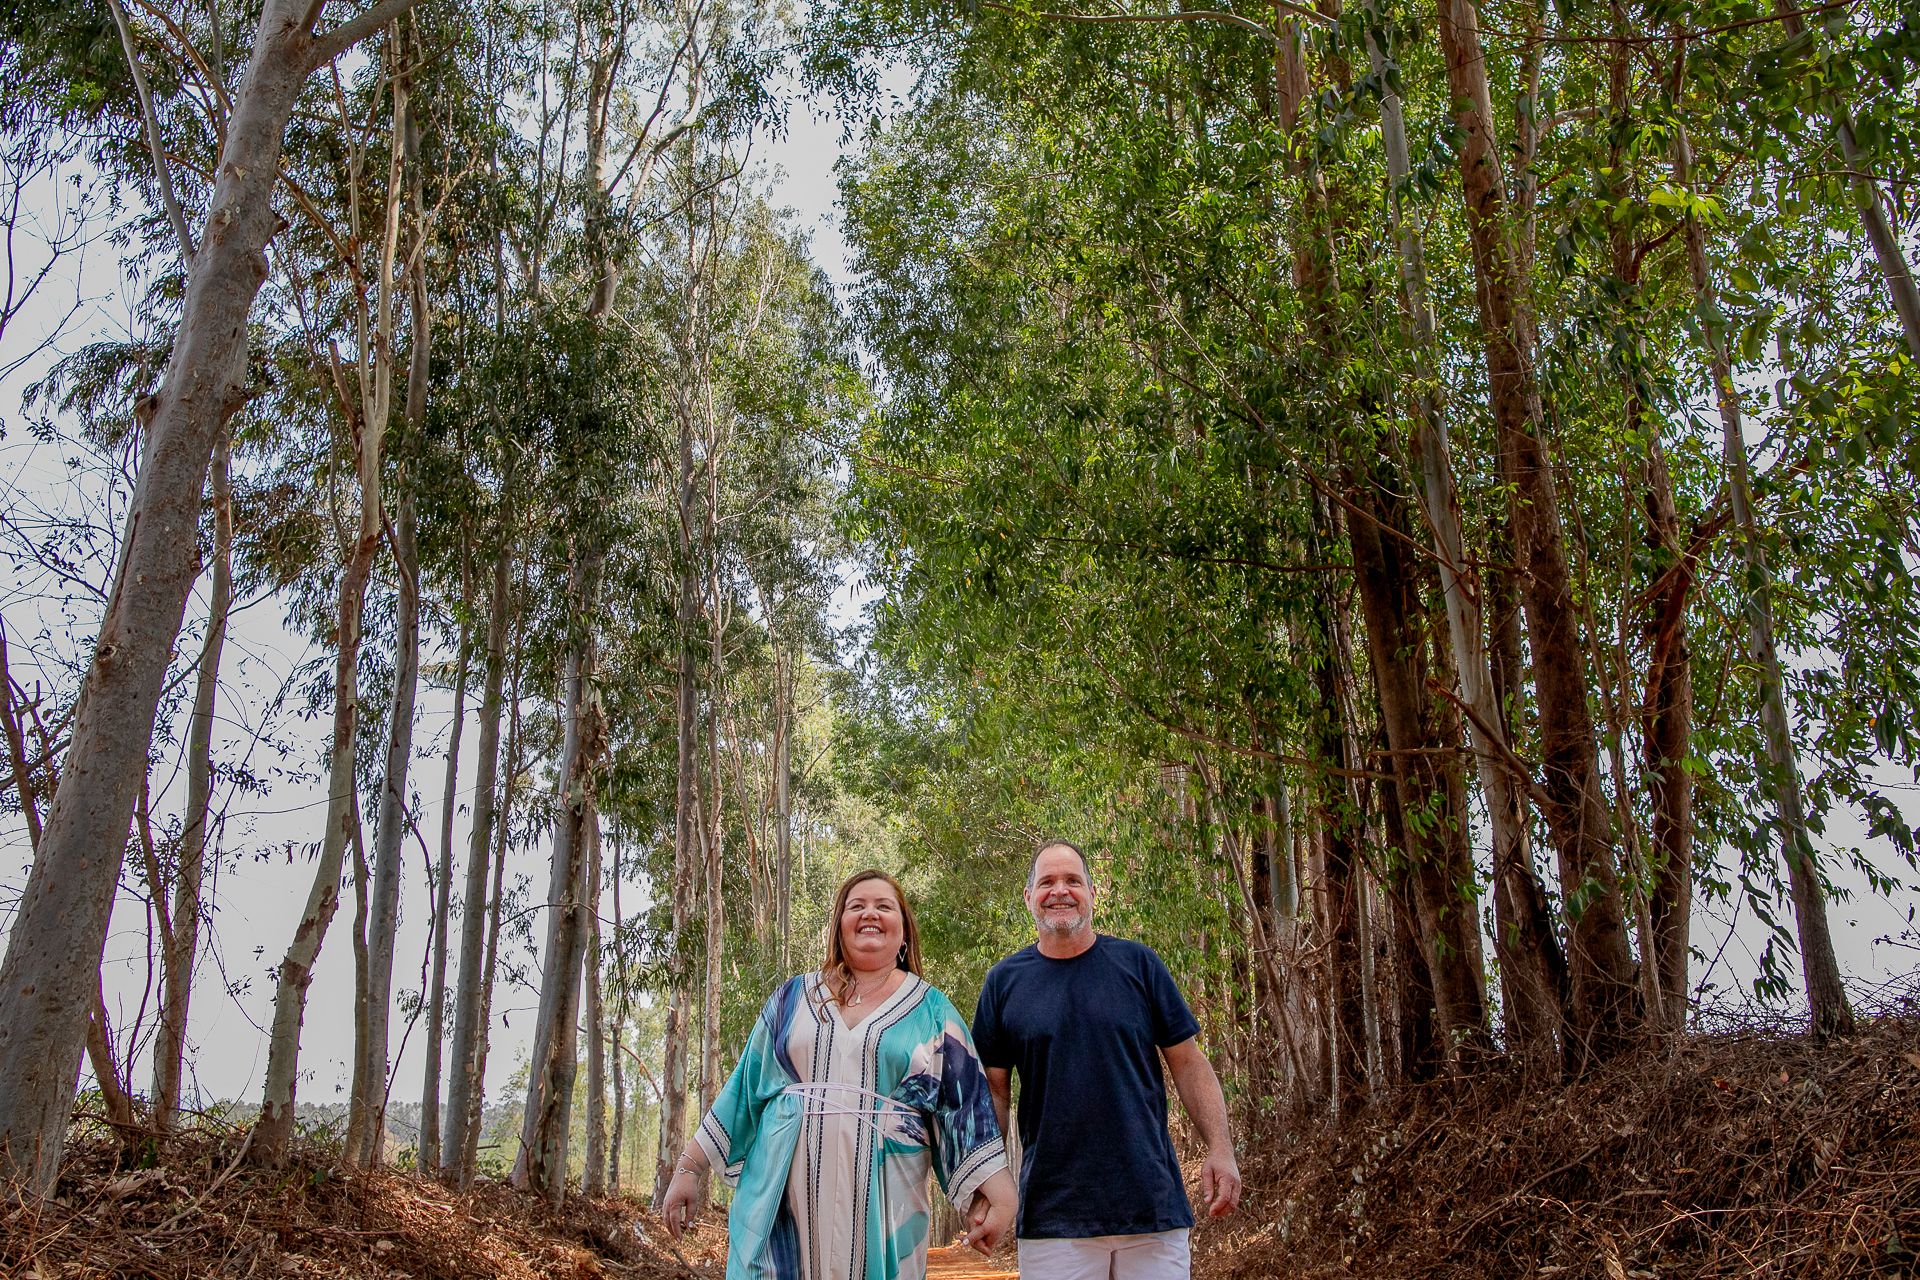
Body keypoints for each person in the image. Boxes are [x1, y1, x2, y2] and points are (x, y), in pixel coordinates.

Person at [661, 868, 1018, 1280]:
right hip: (779, 1217)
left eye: (884, 906)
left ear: (903, 934)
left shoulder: (932, 1012)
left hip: (886, 1216)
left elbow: (966, 1106)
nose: (870, 913)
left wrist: (1000, 1196)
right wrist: (689, 1169)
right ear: (839, 926)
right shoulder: (792, 999)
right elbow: (743, 1092)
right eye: (856, 906)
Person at [970, 838, 1242, 1280]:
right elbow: (994, 1094)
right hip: (1054, 1214)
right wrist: (988, 1183)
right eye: (1047, 882)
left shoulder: (1139, 964)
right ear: (1028, 898)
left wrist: (1221, 1149)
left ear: (1093, 894)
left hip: (1151, 1207)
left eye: (1073, 880)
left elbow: (1189, 1064)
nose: (1060, 890)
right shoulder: (1003, 983)